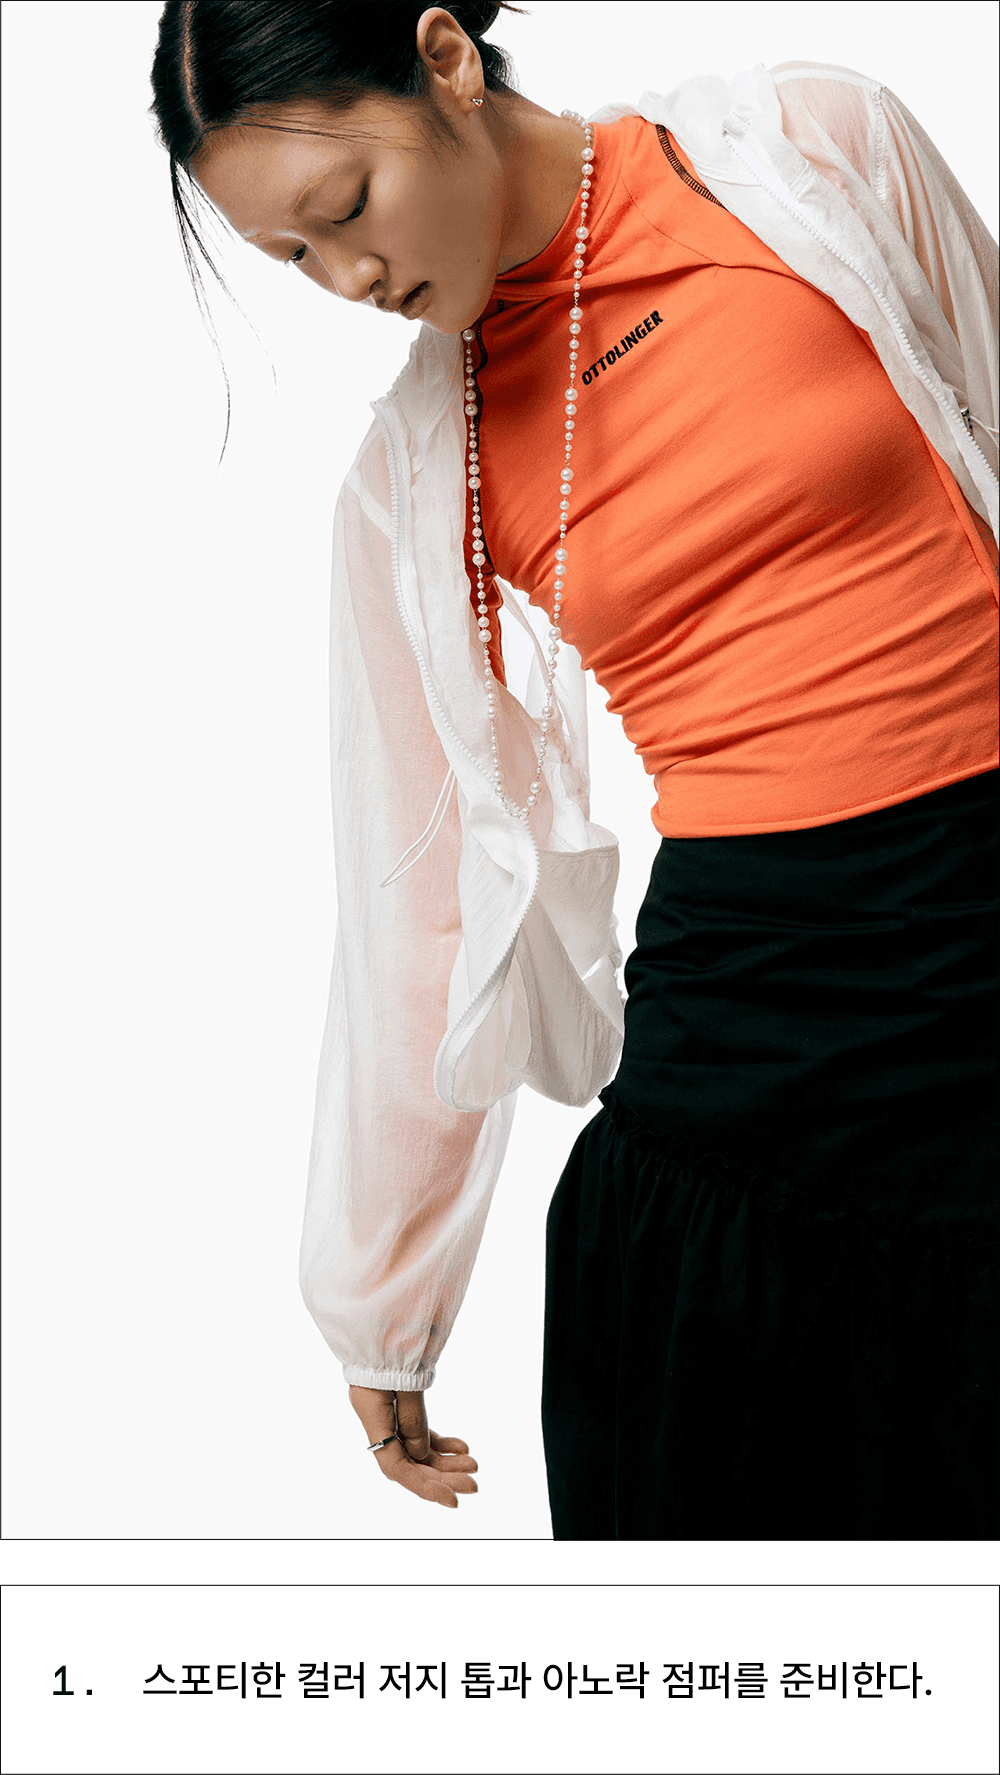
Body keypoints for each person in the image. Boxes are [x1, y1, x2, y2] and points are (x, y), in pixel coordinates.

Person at [150, 2, 999, 1537]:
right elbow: (417, 906)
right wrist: (386, 1305)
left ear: (446, 61)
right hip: (753, 1021)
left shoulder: (807, 152)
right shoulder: (416, 478)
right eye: (295, 259)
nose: (349, 281)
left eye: (347, 207)